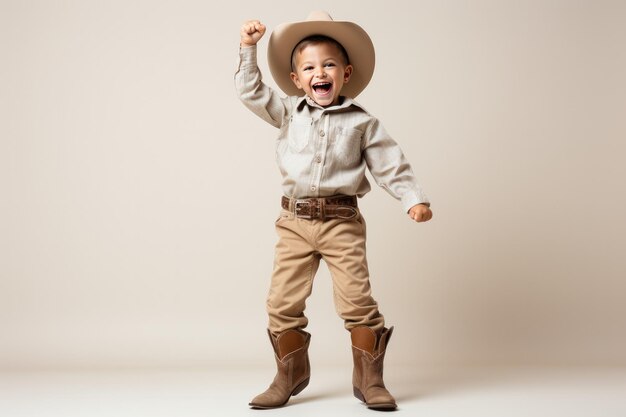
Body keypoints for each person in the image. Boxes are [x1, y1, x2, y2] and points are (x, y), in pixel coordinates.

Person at [235, 11, 432, 410]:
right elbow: (251, 92)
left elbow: (390, 163)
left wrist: (413, 199)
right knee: (281, 302)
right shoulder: (288, 112)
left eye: (328, 65)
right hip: (294, 222)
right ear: (296, 80)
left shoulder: (363, 122)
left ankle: (370, 379)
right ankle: (289, 374)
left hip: (341, 221)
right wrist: (248, 47)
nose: (318, 72)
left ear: (345, 73)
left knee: (356, 300)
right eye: (308, 67)